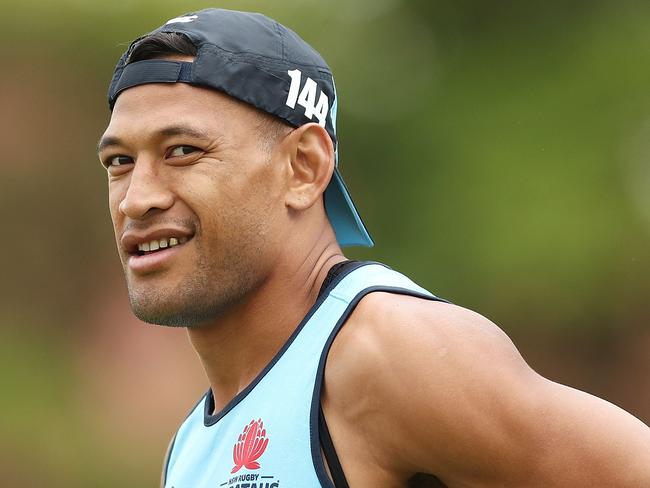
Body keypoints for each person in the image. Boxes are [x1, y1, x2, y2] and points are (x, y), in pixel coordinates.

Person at [97, 8, 650, 488]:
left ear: (303, 168)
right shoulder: (190, 447)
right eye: (120, 162)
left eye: (184, 150)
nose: (136, 199)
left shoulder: (390, 355)